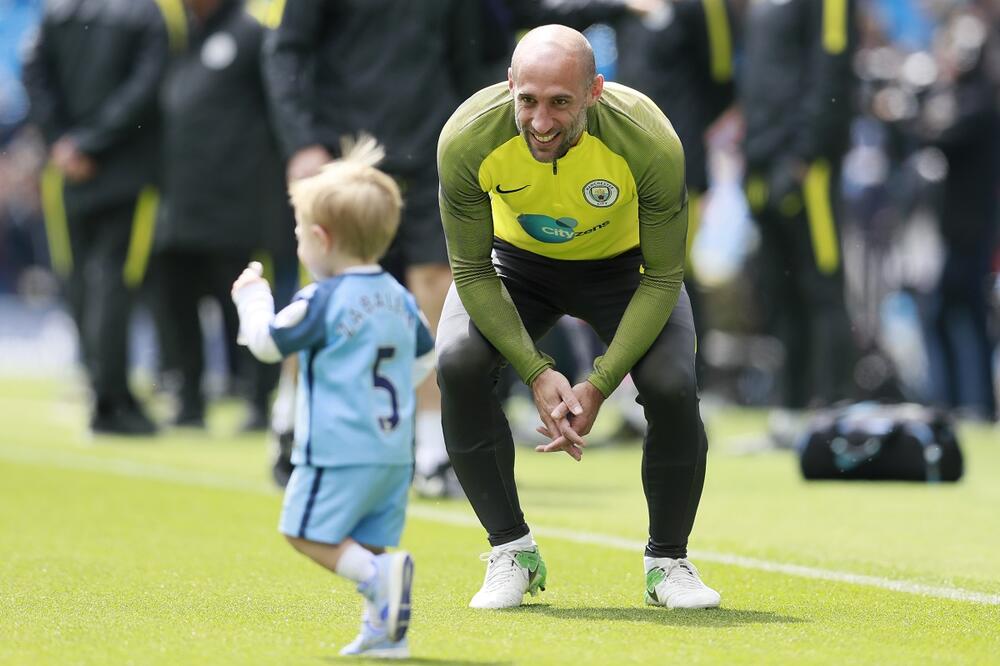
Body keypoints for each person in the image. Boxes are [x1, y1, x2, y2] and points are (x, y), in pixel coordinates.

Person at [436, 25, 720, 610]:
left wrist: (599, 383)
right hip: (515, 265)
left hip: (626, 270)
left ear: (594, 90)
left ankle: (669, 563)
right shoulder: (465, 139)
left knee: (673, 383)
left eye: (560, 102)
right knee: (458, 362)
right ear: (509, 85)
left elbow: (665, 277)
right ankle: (510, 550)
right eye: (528, 100)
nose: (541, 121)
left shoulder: (649, 140)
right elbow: (469, 269)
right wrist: (539, 371)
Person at [262, 0, 484, 497]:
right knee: (331, 289)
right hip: (346, 150)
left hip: (433, 147)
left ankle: (432, 450)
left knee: (437, 287)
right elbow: (286, 51)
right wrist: (300, 141)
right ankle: (292, 420)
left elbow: (471, 56)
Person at [232, 136, 433, 658]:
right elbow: (426, 356)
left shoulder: (320, 299)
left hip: (336, 450)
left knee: (304, 531)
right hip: (392, 452)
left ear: (320, 238)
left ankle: (378, 578)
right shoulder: (399, 296)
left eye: (300, 235)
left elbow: (267, 344)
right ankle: (386, 634)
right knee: (367, 539)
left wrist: (252, 299)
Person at [22, 0, 173, 435]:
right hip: (126, 170)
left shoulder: (56, 11)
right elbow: (145, 88)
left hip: (66, 173)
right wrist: (93, 142)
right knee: (114, 280)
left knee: (82, 280)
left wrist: (64, 142)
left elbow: (33, 72)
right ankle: (111, 400)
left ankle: (102, 387)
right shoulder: (146, 13)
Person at [153, 0, 294, 429]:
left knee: (242, 301)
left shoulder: (251, 34)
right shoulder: (177, 37)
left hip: (238, 206)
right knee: (175, 301)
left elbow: (279, 109)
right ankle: (189, 398)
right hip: (178, 200)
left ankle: (258, 399)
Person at [739, 0, 858, 409]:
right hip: (761, 160)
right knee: (778, 289)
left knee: (821, 285)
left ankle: (833, 405)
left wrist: (807, 152)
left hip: (806, 167)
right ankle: (789, 411)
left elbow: (833, 67)